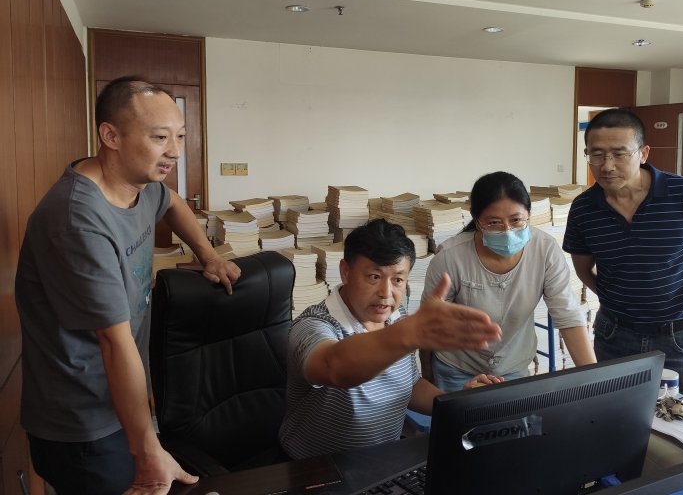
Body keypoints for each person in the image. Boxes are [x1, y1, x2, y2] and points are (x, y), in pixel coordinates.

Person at [15, 77, 242, 495]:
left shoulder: (141, 185)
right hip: (83, 421)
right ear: (111, 136)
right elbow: (113, 341)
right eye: (160, 137)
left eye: (180, 136)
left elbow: (172, 202)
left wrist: (209, 255)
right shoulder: (78, 221)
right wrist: (147, 449)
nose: (175, 151)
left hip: (123, 398)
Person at [279, 219, 503, 459]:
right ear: (345, 272)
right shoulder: (312, 325)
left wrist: (459, 402)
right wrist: (408, 334)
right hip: (316, 469)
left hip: (382, 462)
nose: (386, 293)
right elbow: (335, 367)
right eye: (374, 277)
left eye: (397, 280)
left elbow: (408, 385)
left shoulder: (396, 318)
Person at [563, 108, 683, 395]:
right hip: (615, 335)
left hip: (681, 337)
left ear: (643, 153)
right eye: (597, 155)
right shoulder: (583, 208)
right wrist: (614, 298)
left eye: (619, 154)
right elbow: (582, 268)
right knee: (614, 413)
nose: (607, 166)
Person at [419, 171, 596, 393]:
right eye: (494, 223)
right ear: (477, 220)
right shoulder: (451, 257)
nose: (507, 232)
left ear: (529, 214)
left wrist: (595, 380)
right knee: (459, 416)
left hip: (512, 368)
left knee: (513, 417)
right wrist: (427, 373)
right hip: (457, 369)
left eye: (516, 220)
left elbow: (568, 315)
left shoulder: (545, 251)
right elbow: (428, 321)